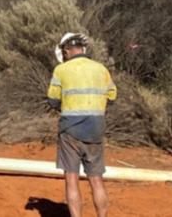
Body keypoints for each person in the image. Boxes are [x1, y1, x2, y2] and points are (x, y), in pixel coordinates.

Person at [47, 32, 117, 217]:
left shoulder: (61, 70)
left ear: (67, 50)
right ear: (83, 48)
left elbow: (53, 100)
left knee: (71, 179)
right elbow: (112, 96)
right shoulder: (101, 69)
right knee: (96, 180)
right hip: (96, 129)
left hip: (70, 129)